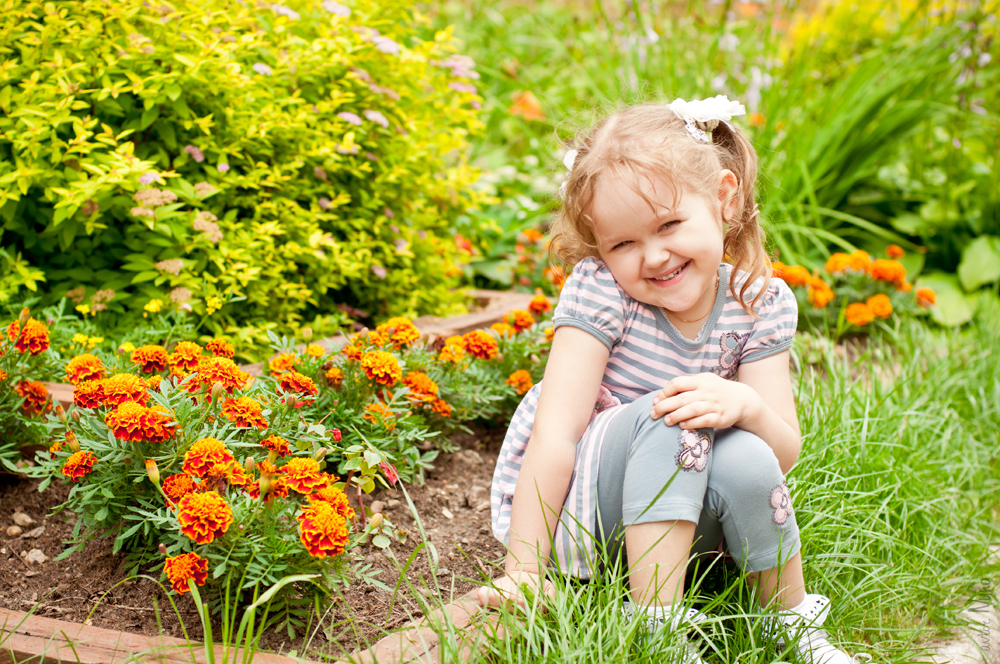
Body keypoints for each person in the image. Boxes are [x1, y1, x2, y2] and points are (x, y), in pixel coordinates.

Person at [479, 98, 861, 664]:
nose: (653, 256)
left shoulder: (758, 301)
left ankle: (791, 620)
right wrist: (525, 571)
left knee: (748, 453)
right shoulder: (604, 292)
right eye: (623, 243)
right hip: (595, 519)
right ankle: (656, 627)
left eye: (669, 225)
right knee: (673, 413)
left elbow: (782, 452)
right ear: (600, 249)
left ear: (723, 199)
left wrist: (746, 406)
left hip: (689, 523)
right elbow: (555, 434)